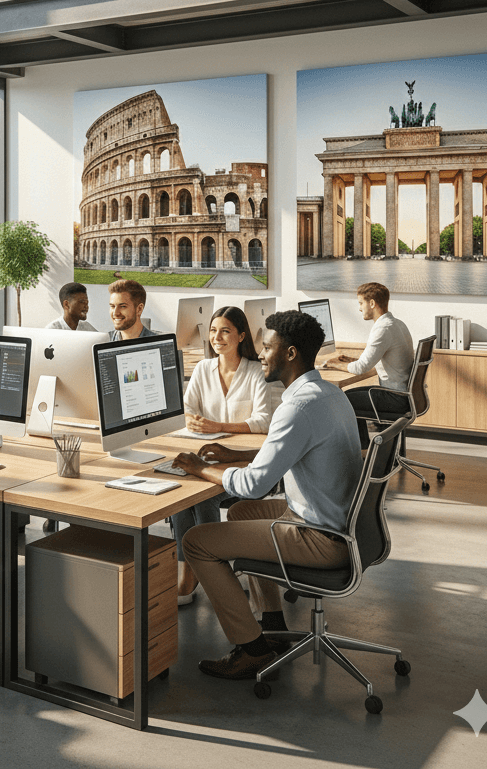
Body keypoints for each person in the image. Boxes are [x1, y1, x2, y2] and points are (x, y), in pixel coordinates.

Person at [173, 310, 361, 681]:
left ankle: (251, 648)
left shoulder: (297, 407)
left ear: (290, 353)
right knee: (243, 512)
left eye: (267, 347)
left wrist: (202, 469)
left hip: (320, 537)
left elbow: (252, 484)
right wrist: (235, 455)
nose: (260, 354)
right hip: (336, 521)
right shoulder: (327, 393)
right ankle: (271, 624)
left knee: (197, 542)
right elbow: (292, 450)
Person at [171, 306, 273, 605]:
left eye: (225, 331)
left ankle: (215, 572)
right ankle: (189, 568)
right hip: (208, 454)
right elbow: (187, 409)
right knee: (180, 494)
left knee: (204, 497)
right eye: (213, 330)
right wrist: (191, 420)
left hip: (243, 460)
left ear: (241, 336)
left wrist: (219, 426)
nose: (217, 337)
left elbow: (264, 421)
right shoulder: (203, 369)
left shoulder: (256, 372)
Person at [323, 282, 414, 447]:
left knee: (343, 400)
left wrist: (333, 364)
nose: (359, 308)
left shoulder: (383, 329)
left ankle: (361, 449)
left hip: (395, 398)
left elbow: (361, 368)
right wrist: (350, 360)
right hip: (405, 394)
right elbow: (372, 359)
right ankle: (364, 446)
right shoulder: (397, 324)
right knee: (348, 395)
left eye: (360, 303)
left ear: (372, 303)